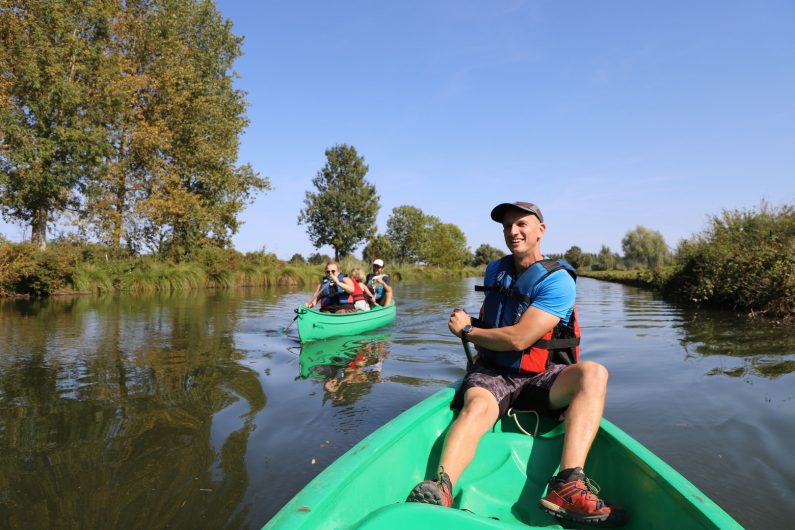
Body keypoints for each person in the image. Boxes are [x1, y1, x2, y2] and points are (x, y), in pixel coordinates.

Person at [406, 201, 626, 527]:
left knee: (594, 373)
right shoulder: (496, 269)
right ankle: (442, 487)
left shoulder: (558, 280)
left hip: (542, 375)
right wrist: (472, 321)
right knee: (477, 405)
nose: (513, 231)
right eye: (507, 226)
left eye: (521, 223)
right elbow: (497, 321)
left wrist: (467, 330)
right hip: (494, 372)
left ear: (541, 230)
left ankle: (567, 483)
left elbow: (520, 338)